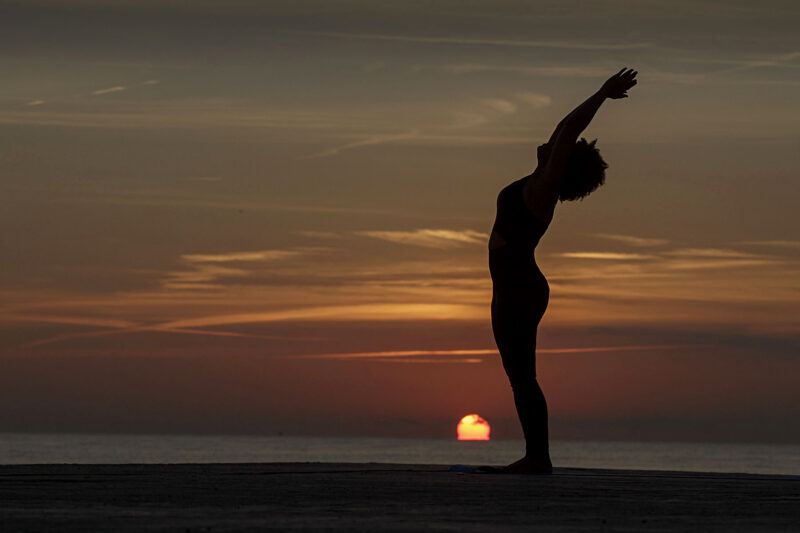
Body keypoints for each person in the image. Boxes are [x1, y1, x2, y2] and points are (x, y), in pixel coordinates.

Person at [489, 68, 638, 473]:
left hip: (521, 287)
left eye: (558, 149)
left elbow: (570, 128)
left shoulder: (543, 189)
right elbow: (562, 129)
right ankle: (535, 455)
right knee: (518, 375)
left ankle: (538, 457)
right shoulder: (538, 182)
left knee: (523, 375)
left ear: (562, 164)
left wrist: (602, 94)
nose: (550, 143)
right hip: (511, 288)